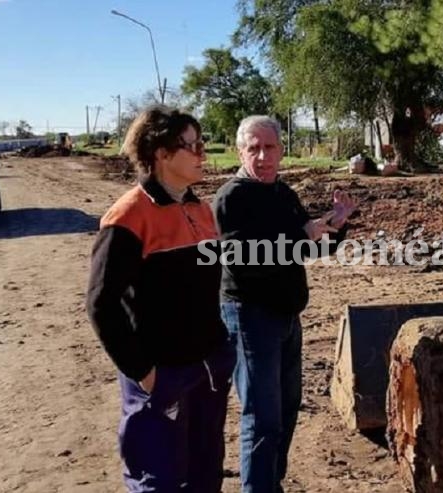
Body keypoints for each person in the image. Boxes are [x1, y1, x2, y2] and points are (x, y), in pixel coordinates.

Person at [86, 106, 236, 492]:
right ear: (161, 154)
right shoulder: (128, 217)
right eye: (192, 145)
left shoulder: (200, 209)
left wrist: (221, 353)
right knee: (159, 480)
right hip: (161, 376)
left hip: (207, 371)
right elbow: (102, 304)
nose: (203, 154)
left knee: (206, 473)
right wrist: (145, 373)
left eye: (201, 143)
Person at [214, 115, 356, 493]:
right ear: (240, 151)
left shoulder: (283, 194)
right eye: (253, 148)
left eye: (270, 147)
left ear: (281, 149)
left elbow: (308, 248)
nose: (263, 155)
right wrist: (300, 234)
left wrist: (336, 226)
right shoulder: (233, 197)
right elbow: (244, 260)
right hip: (249, 316)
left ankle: (269, 483)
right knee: (262, 417)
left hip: (287, 316)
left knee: (286, 410)